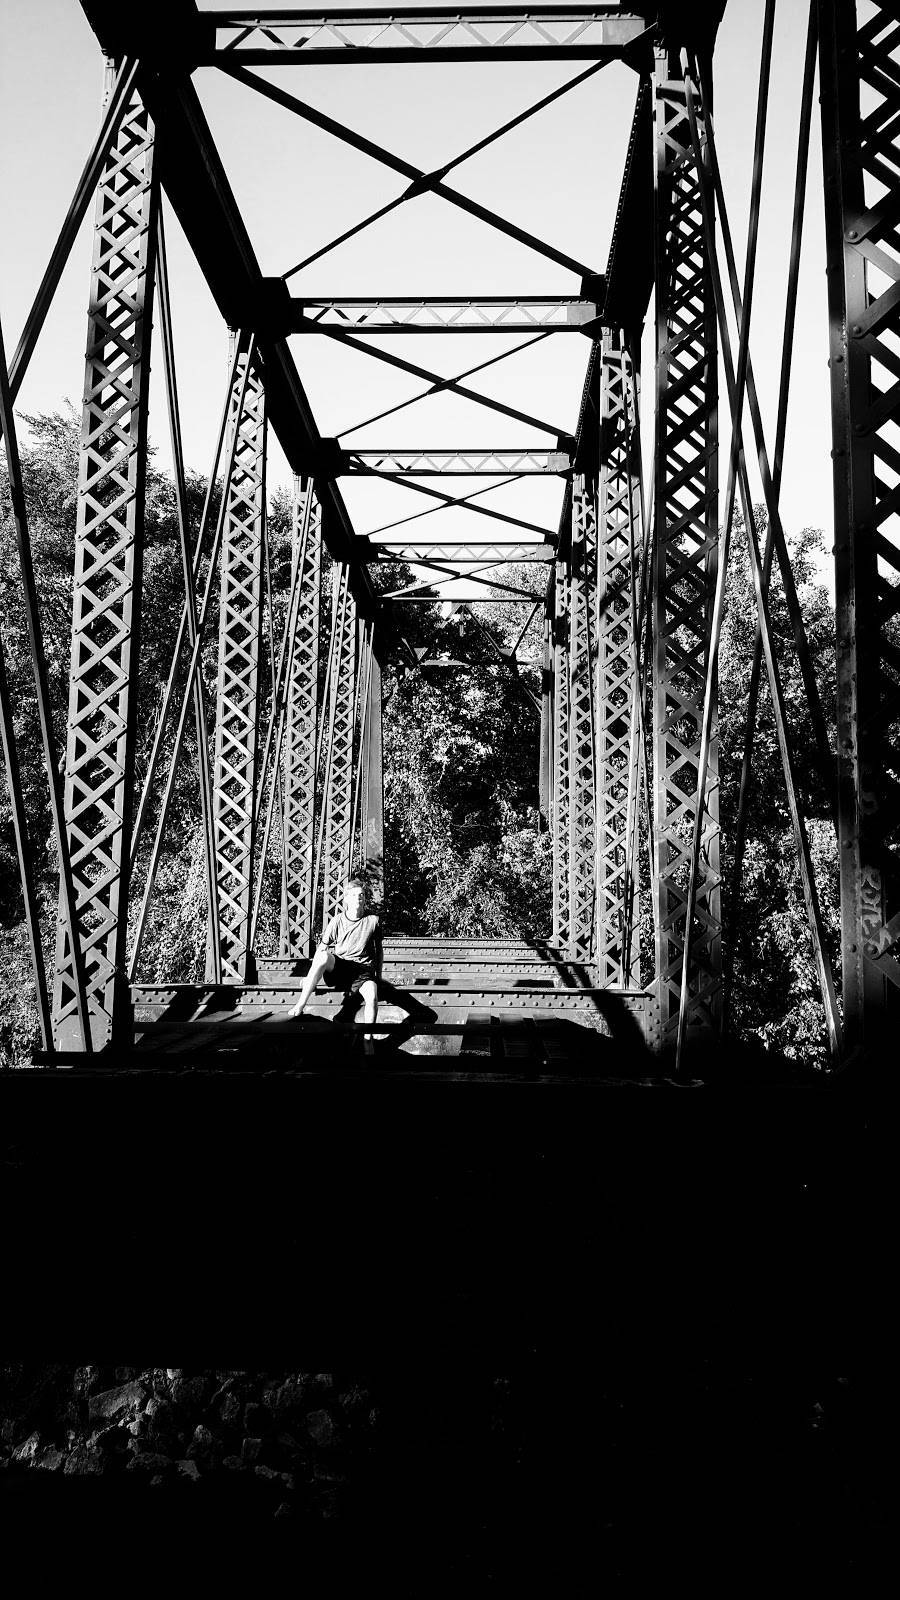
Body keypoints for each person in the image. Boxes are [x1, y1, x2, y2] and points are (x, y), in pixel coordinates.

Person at [288, 876, 382, 1035]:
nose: (358, 898)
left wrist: (378, 975)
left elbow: (379, 951)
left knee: (372, 996)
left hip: (362, 971)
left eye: (361, 895)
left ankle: (368, 1039)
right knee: (324, 956)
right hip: (341, 967)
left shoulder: (373, 921)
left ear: (364, 898)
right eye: (353, 895)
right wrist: (310, 976)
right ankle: (300, 1005)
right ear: (346, 899)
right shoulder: (337, 920)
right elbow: (321, 949)